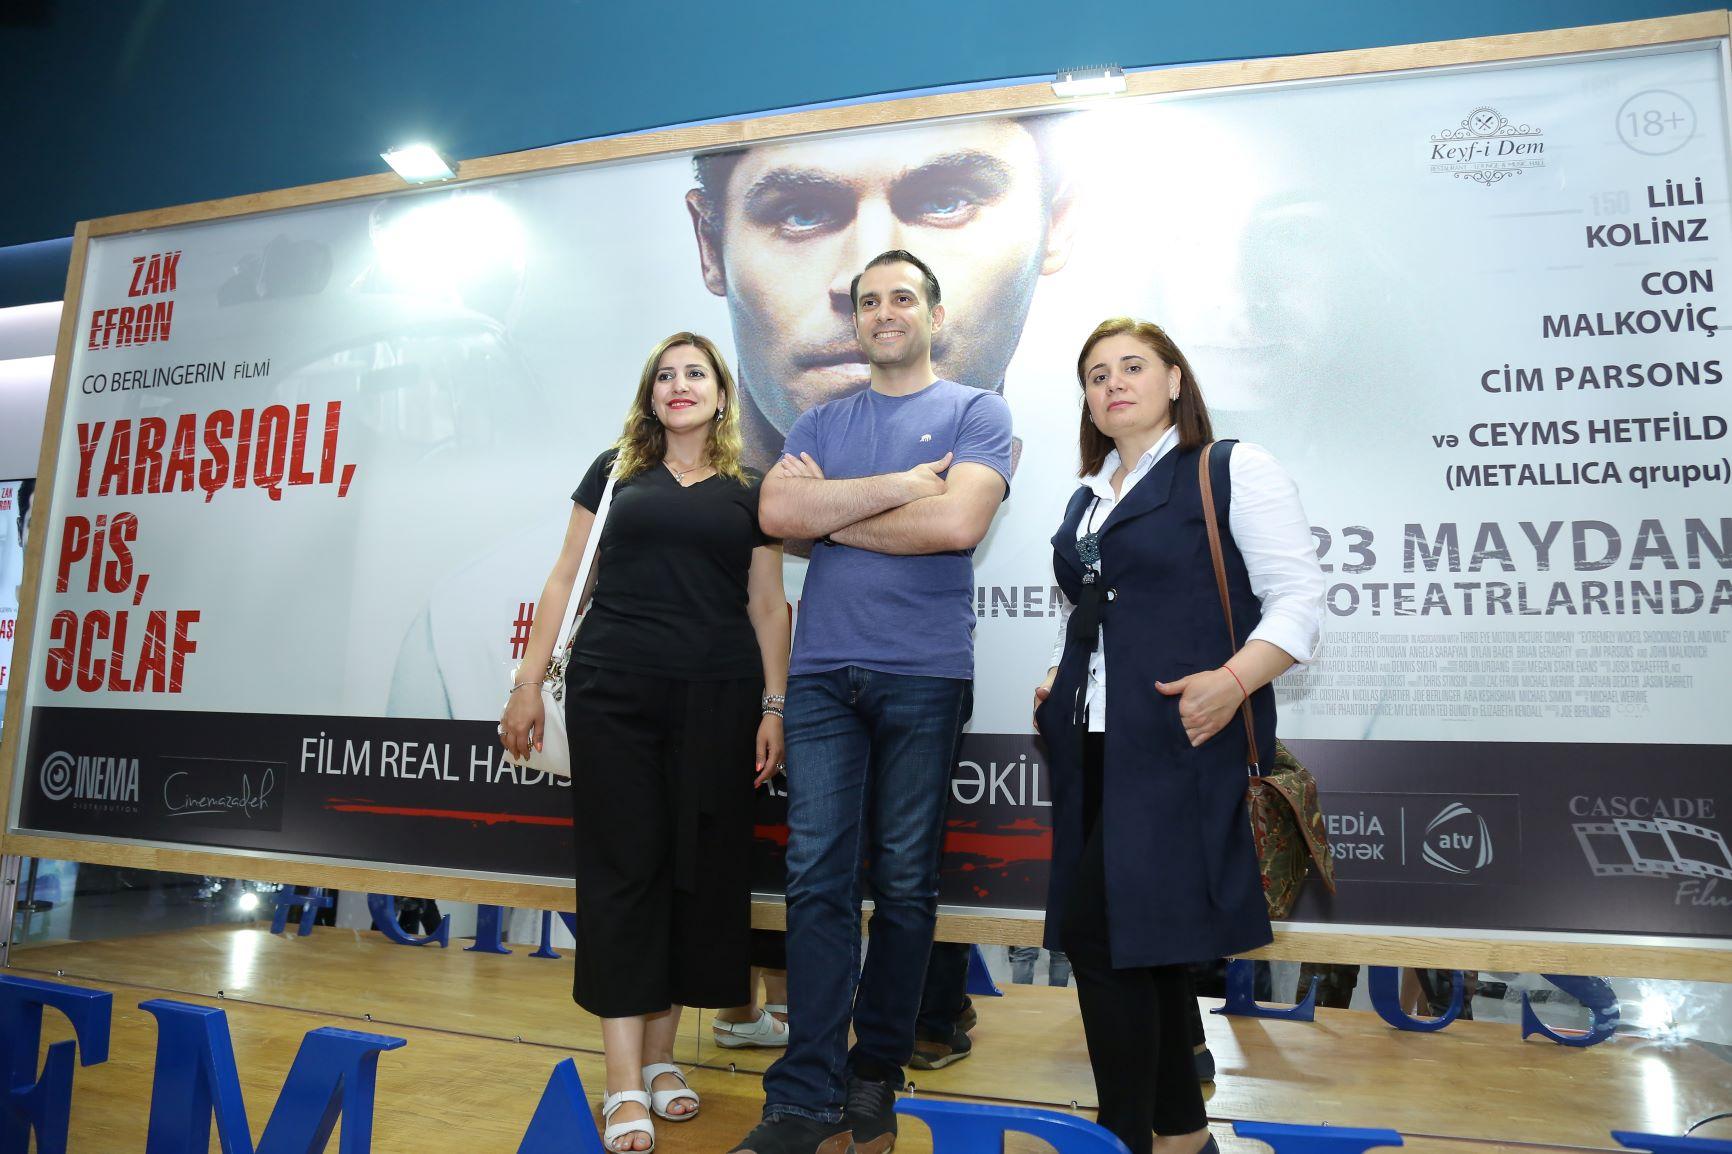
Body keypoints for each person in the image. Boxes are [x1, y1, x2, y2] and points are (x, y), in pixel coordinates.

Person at [729, 250, 1012, 1154]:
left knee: (903, 883)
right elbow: (778, 514)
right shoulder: (820, 418)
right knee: (815, 880)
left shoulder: (977, 412)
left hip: (925, 674)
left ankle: (874, 1073)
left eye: (903, 297)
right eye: (869, 301)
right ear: (855, 321)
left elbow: (958, 523)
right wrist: (901, 489)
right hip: (820, 677)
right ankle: (802, 1093)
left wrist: (834, 513)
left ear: (934, 313)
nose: (886, 311)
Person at [1032, 319, 1325, 1154]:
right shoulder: (1089, 497)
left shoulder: (1229, 468)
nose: (1113, 383)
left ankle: (1122, 1137)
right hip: (1092, 746)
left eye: (1133, 366)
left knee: (1099, 937)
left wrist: (1233, 681)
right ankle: (1184, 1137)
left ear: (1173, 381)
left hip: (1180, 743)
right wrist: (1061, 673)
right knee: (1142, 941)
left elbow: (1299, 602)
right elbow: (1092, 611)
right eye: (1096, 375)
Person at [499, 332, 789, 1153]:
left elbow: (769, 605)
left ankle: (663, 1062)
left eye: (695, 372)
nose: (679, 384)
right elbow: (567, 576)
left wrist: (774, 706)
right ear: (649, 394)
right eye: (665, 375)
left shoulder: (753, 488)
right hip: (614, 696)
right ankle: (623, 1080)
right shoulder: (615, 470)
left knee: (697, 881)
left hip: (721, 700)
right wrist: (527, 682)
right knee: (625, 877)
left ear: (722, 394)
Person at [686, 118, 1077, 470]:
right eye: (802, 213)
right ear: (710, 246)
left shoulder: (1089, 506)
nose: (871, 290)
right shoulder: (657, 500)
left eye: (945, 203)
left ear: (1054, 226)